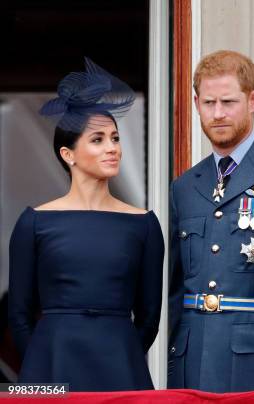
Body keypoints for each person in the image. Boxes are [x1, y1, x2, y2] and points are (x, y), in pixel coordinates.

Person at [8, 58, 164, 391]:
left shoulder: (144, 224)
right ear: (68, 154)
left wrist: (123, 354)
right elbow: (18, 315)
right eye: (98, 140)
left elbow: (150, 318)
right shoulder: (33, 222)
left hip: (121, 364)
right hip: (49, 364)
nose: (113, 149)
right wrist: (40, 361)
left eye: (115, 138)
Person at [167, 50, 254, 392]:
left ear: (253, 100)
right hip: (192, 358)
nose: (217, 114)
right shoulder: (185, 186)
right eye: (208, 102)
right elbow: (175, 290)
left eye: (228, 102)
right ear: (196, 103)